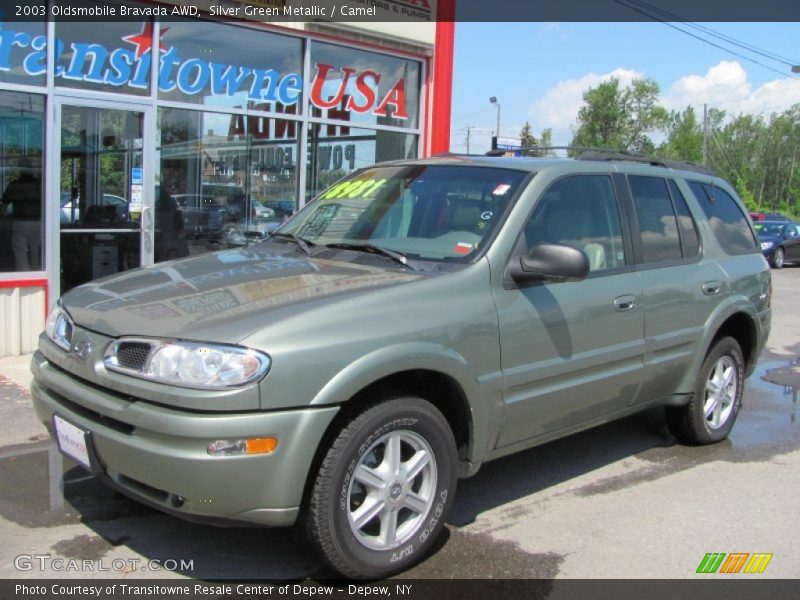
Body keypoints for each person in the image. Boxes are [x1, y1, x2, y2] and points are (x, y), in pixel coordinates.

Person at [0, 157, 42, 271]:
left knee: (20, 254)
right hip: (38, 222)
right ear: (32, 169)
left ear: (20, 169)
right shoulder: (40, 185)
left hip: (20, 222)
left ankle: (24, 278)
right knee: (36, 254)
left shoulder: (14, 185)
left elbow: (3, 206)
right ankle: (37, 276)